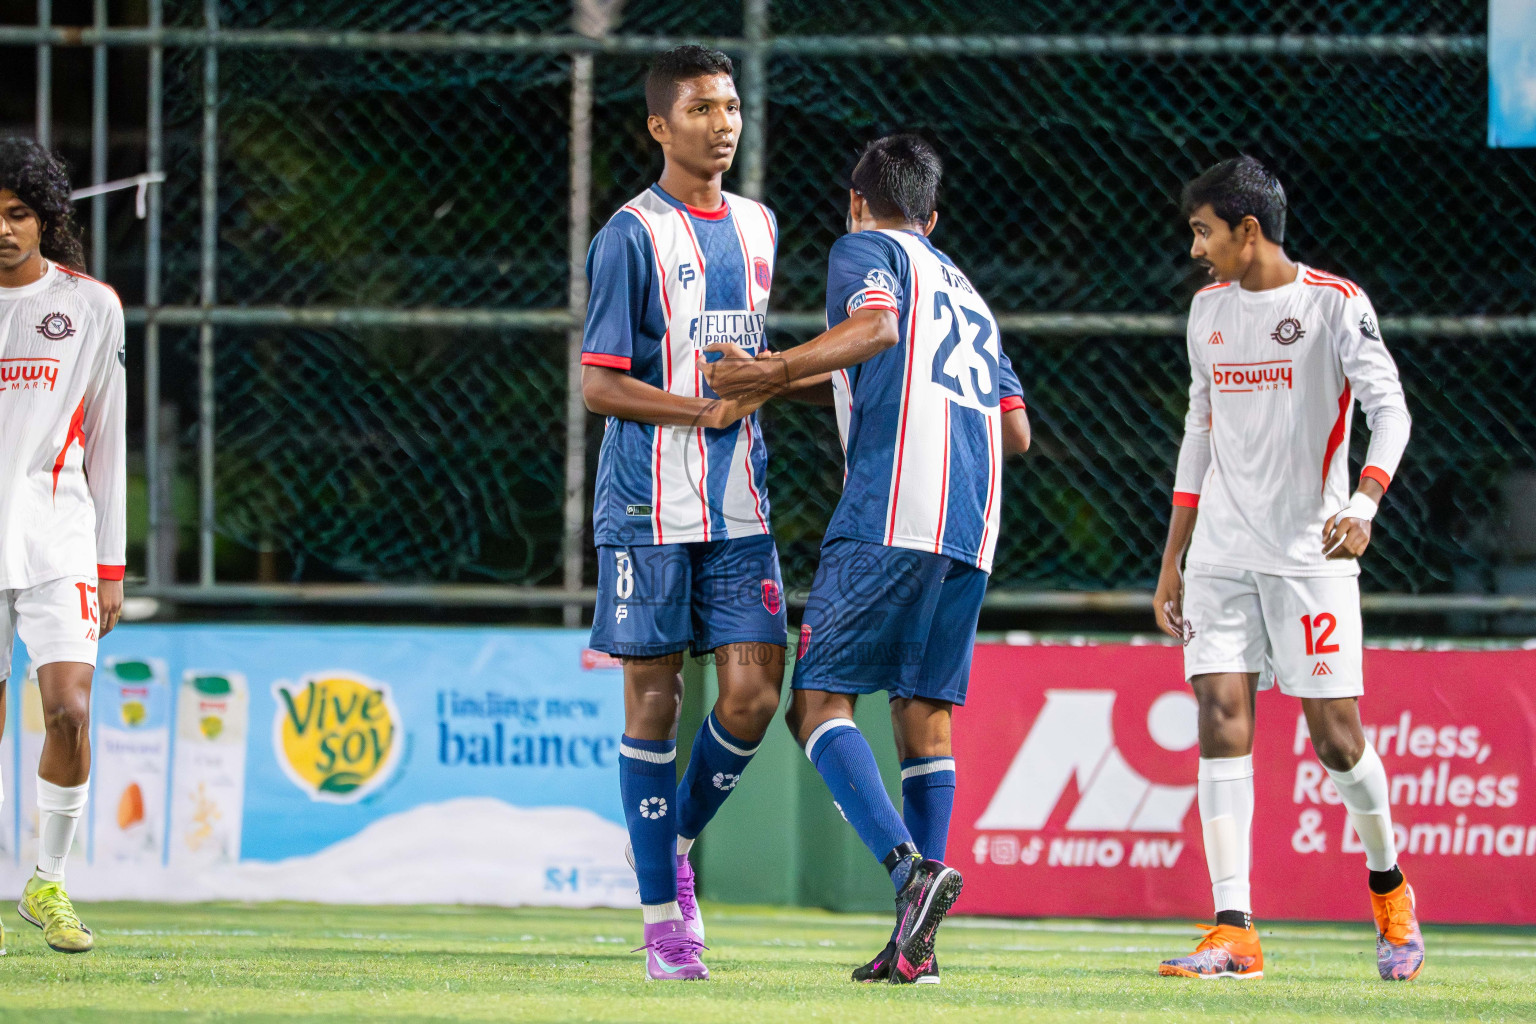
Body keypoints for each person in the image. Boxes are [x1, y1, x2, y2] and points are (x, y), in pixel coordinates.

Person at [703, 134, 1030, 985]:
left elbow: (875, 328)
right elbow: (1018, 429)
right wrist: (788, 381)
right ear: (934, 214)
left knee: (814, 706)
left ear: (857, 201)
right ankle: (918, 942)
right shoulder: (971, 296)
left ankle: (908, 871)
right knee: (924, 716)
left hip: (892, 509)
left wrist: (769, 368)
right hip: (975, 524)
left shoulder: (867, 249)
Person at [1152, 155, 1423, 981]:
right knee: (1219, 715)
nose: (1195, 248)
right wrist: (1175, 557)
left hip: (1311, 553)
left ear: (1247, 230)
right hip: (1221, 554)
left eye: (1204, 230)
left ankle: (1389, 889)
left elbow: (1392, 411)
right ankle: (1234, 927)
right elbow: (1199, 431)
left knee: (1337, 742)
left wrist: (1366, 503)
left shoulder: (1333, 305)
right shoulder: (1206, 313)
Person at [579, 45, 787, 981]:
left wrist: (762, 389)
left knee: (753, 692)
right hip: (646, 507)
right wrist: (700, 408)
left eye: (733, 106)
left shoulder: (759, 227)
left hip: (740, 505)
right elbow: (598, 386)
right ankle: (665, 921)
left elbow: (752, 364)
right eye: (702, 108)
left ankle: (666, 845)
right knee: (655, 702)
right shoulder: (629, 234)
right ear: (661, 126)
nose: (725, 123)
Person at [0, 137, 126, 955]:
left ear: (45, 219)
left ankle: (47, 881)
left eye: (16, 214)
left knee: (70, 711)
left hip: (58, 536)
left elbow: (110, 436)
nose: (4, 230)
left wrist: (110, 565)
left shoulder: (89, 306)